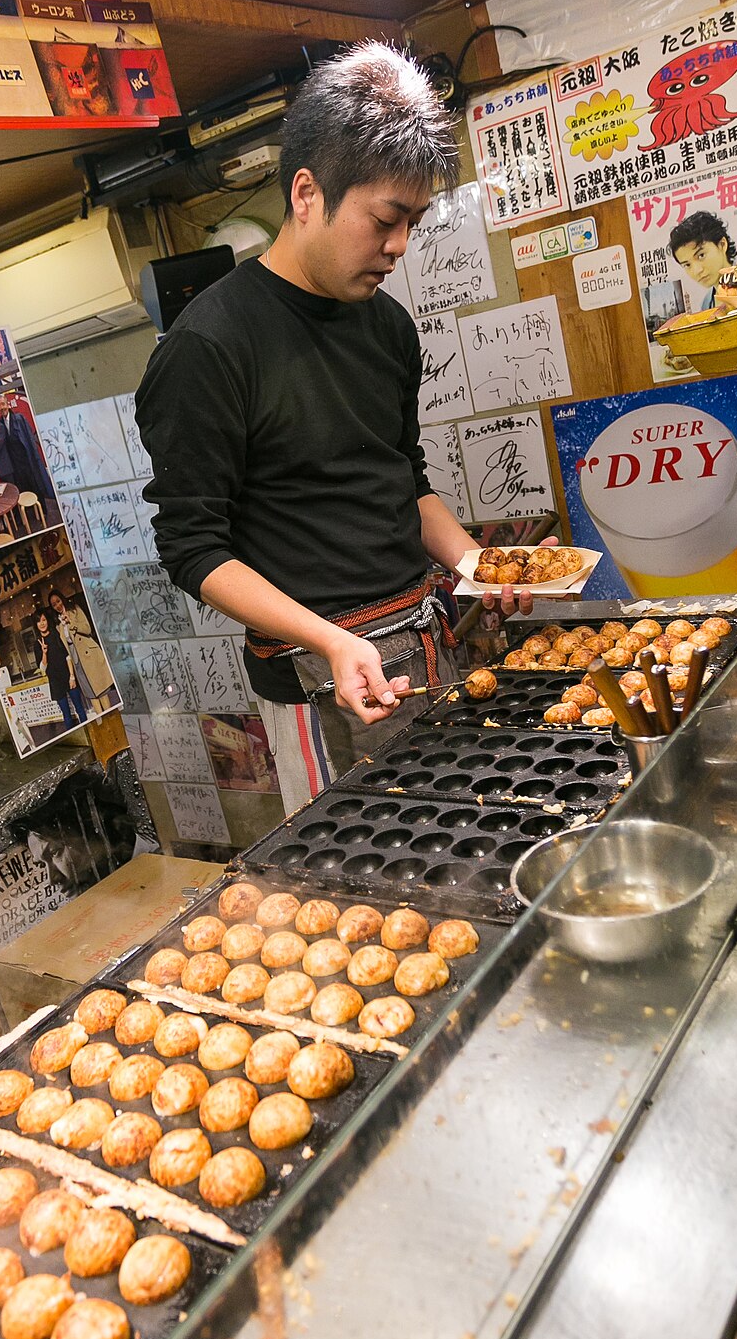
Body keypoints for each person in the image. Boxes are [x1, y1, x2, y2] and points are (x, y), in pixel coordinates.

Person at [136, 41, 541, 812]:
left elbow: (404, 481)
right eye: (386, 219)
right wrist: (329, 639)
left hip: (426, 643)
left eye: (414, 223)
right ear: (307, 193)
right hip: (318, 679)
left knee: (461, 838)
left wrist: (474, 565)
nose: (398, 247)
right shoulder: (209, 347)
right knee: (360, 880)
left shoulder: (387, 328)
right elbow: (193, 549)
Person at [0, 392, 58, 505]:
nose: (2, 407)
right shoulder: (0, 425)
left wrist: (34, 457)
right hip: (15, 464)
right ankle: (31, 513)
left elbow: (30, 439)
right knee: (23, 489)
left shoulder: (19, 418)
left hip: (27, 459)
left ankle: (43, 511)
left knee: (36, 485)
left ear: (8, 404)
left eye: (3, 404)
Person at [669, 209, 737, 309]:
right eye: (687, 265)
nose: (697, 271)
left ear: (722, 245)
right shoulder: (707, 303)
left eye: (701, 256)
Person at [33, 607, 87, 731]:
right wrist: (44, 653)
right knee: (66, 716)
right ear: (36, 625)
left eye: (44, 620)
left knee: (80, 709)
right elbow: (42, 668)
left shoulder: (56, 634)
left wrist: (72, 676)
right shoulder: (37, 644)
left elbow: (67, 656)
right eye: (39, 621)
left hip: (68, 677)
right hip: (55, 682)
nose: (42, 623)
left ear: (47, 621)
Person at [47, 586, 99, 710]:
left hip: (87, 653)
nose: (57, 606)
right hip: (74, 656)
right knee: (89, 691)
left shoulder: (74, 610)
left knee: (99, 688)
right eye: (54, 605)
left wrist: (71, 623)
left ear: (62, 599)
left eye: (58, 601)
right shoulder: (58, 624)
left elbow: (87, 629)